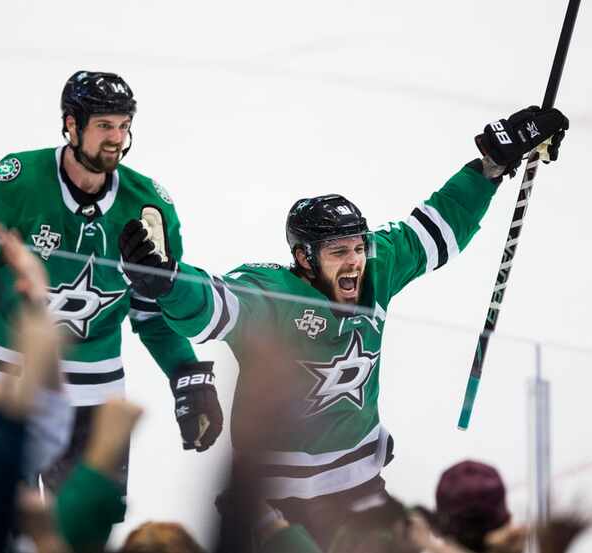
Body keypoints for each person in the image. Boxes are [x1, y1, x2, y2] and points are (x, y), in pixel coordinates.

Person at [118, 106, 569, 548]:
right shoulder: (272, 294)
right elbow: (213, 303)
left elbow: (434, 227)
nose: (354, 260)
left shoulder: (376, 265)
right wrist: (169, 281)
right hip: (275, 504)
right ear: (304, 259)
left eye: (356, 247)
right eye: (337, 251)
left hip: (361, 493)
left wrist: (489, 166)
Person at [0, 70, 223, 492]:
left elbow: (152, 313)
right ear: (71, 125)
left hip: (94, 394)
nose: (116, 138)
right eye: (104, 126)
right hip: (3, 381)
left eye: (124, 126)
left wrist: (186, 373)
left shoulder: (148, 207)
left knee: (83, 534)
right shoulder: (14, 184)